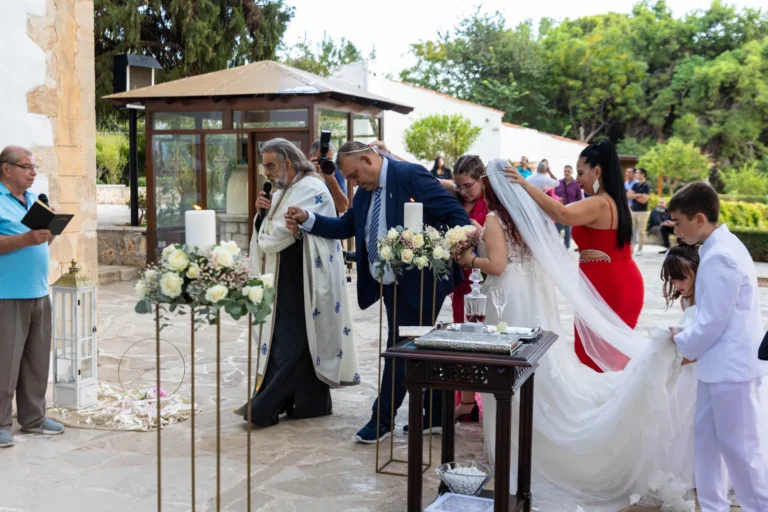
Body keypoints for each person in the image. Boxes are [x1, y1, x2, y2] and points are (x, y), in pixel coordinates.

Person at [454, 159, 698, 510]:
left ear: (490, 189)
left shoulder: (494, 220)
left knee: (506, 371)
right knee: (538, 368)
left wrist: (468, 260)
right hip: (531, 297)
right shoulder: (528, 219)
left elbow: (497, 265)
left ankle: (515, 451)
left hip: (506, 299)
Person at [285, 140, 470, 443]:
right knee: (416, 347)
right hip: (390, 285)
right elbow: (347, 226)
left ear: (368, 161)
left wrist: (432, 250)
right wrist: (309, 219)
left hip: (421, 282)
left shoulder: (409, 175)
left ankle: (382, 419)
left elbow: (456, 216)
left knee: (398, 348)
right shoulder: (364, 192)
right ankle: (436, 415)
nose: (354, 184)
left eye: (355, 176)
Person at [241, 138, 359, 427]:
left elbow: (289, 231)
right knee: (287, 339)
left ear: (288, 162)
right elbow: (271, 230)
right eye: (264, 166)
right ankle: (309, 403)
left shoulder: (312, 187)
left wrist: (282, 227)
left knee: (297, 340)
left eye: (270, 165)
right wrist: (261, 214)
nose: (266, 172)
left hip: (304, 278)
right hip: (285, 276)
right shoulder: (284, 190)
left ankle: (266, 405)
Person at [670, 182, 768, 512]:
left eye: (679, 222)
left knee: (741, 450)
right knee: (707, 444)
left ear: (699, 219)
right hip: (718, 367)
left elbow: (714, 320)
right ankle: (712, 507)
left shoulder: (721, 255)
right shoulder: (718, 247)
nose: (676, 230)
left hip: (733, 368)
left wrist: (680, 341)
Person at [507, 141, 643, 373]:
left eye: (581, 173)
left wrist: (524, 184)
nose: (578, 179)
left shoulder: (601, 203)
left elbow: (561, 213)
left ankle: (606, 406)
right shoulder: (613, 202)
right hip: (610, 283)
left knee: (599, 360)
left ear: (597, 171)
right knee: (603, 357)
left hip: (610, 286)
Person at [0, 146, 64, 448]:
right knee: (5, 363)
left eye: (34, 167)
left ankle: (34, 419)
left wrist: (47, 235)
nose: (33, 172)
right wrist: (26, 238)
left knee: (36, 361)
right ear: (6, 169)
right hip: (7, 294)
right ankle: (0, 423)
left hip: (39, 290)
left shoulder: (32, 201)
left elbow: (37, 244)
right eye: (26, 167)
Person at [439, 155, 488, 422]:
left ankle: (481, 398)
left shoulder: (492, 204)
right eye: (459, 186)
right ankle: (467, 401)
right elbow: (427, 178)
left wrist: (478, 232)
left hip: (487, 277)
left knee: (485, 341)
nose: (463, 191)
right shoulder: (456, 197)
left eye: (468, 185)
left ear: (482, 180)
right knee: (464, 340)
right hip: (461, 281)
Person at [309, 139, 349, 214]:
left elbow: (343, 207)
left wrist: (331, 180)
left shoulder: (335, 172)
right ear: (310, 156)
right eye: (321, 159)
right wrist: (309, 172)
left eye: (328, 159)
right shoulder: (301, 172)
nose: (324, 163)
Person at [554, 165, 583, 249]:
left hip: (570, 211)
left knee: (568, 230)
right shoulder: (559, 183)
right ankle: (556, 248)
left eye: (568, 171)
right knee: (556, 230)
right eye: (565, 171)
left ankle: (566, 248)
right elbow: (554, 194)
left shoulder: (576, 185)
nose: (566, 173)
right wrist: (557, 198)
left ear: (571, 172)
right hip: (559, 210)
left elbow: (580, 199)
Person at [627, 168, 651, 256]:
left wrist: (634, 196)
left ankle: (640, 248)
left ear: (643, 174)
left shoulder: (646, 185)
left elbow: (644, 200)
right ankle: (631, 247)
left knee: (641, 231)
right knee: (631, 230)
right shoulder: (635, 185)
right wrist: (639, 195)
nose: (636, 174)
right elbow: (628, 196)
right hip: (633, 210)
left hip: (643, 212)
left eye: (637, 173)